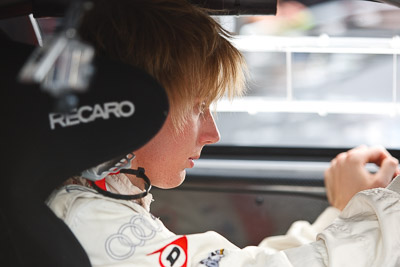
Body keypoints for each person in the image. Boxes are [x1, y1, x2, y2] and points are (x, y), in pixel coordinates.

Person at [47, 0, 400, 266]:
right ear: (131, 107)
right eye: (198, 107)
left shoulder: (94, 200)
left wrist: (343, 213)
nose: (212, 134)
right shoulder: (91, 223)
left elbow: (237, 261)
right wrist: (390, 209)